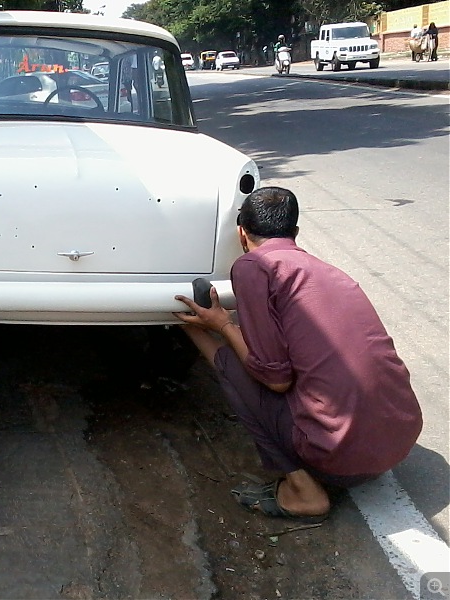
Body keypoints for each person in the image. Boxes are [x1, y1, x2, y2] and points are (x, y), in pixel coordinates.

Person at [172, 187, 422, 522]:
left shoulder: (253, 266)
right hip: (398, 441)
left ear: (241, 233)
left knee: (232, 364)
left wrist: (221, 325)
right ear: (296, 233)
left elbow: (275, 379)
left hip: (342, 461)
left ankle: (302, 491)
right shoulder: (324, 270)